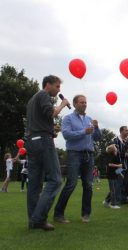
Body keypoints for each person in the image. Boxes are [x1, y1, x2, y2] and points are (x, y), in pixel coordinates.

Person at [26, 75, 70, 231]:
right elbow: (52, 113)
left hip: (32, 140)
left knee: (35, 184)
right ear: (48, 85)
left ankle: (33, 220)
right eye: (57, 86)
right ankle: (38, 219)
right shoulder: (44, 95)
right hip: (43, 141)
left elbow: (42, 119)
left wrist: (51, 130)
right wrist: (63, 104)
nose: (59, 90)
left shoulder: (32, 99)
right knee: (56, 180)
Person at [54, 94, 101, 224]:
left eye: (85, 102)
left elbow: (97, 138)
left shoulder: (90, 119)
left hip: (89, 154)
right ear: (75, 104)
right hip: (74, 153)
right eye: (81, 102)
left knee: (88, 185)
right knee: (71, 184)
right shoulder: (68, 119)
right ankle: (58, 214)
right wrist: (83, 132)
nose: (84, 104)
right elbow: (67, 135)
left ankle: (86, 214)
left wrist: (96, 128)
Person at [105, 144, 123, 209]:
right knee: (113, 190)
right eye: (115, 147)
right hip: (111, 175)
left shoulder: (116, 156)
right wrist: (119, 166)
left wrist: (120, 173)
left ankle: (106, 201)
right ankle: (113, 204)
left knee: (113, 190)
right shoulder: (111, 156)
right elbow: (110, 164)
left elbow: (119, 166)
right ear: (113, 150)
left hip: (115, 175)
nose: (117, 148)